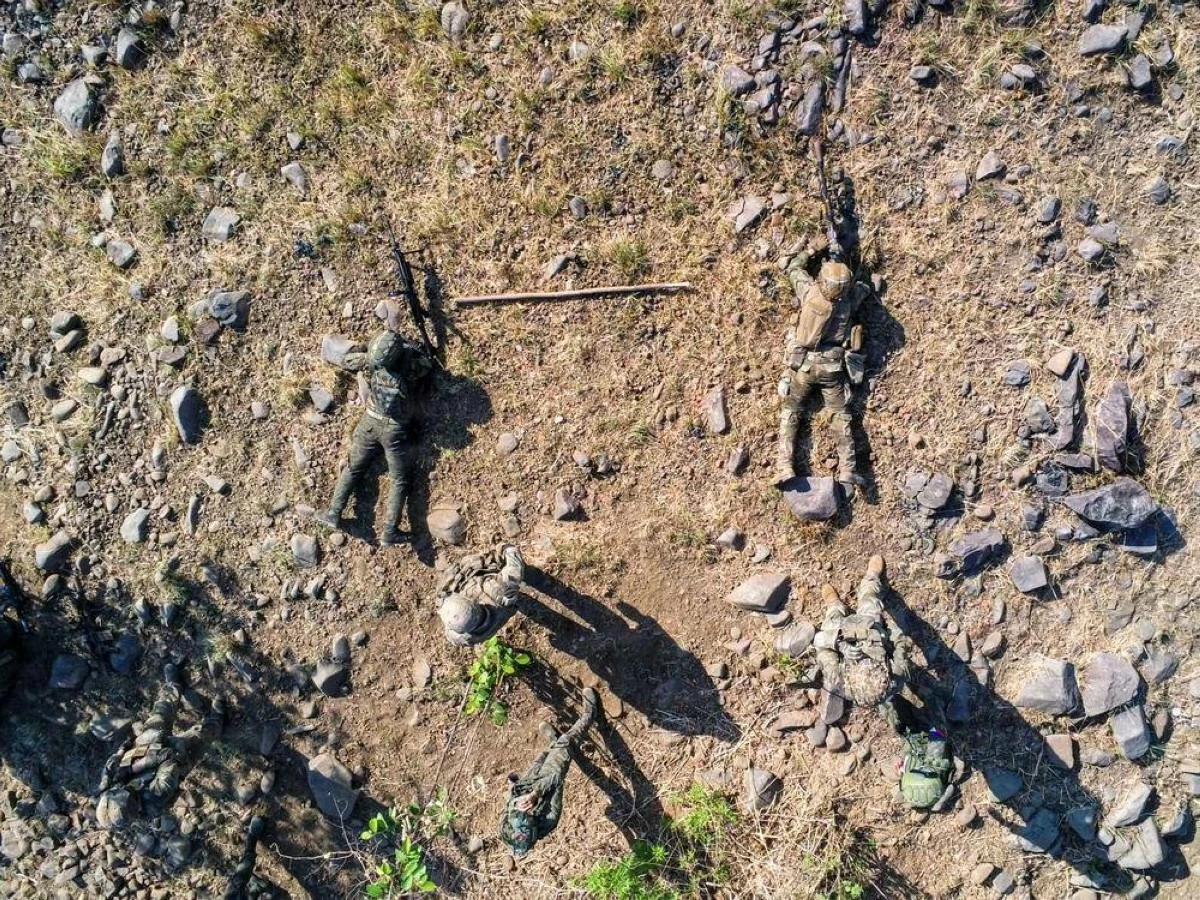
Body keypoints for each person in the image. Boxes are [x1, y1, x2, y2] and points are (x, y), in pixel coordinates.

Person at [315, 329, 433, 545]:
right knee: (399, 479)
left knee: (353, 468)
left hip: (368, 422)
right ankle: (390, 530)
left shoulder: (371, 362)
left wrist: (364, 352)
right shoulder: (409, 366)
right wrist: (412, 350)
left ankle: (333, 512)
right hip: (395, 430)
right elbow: (427, 366)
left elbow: (349, 361)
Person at [775, 240, 870, 497]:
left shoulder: (808, 291)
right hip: (833, 367)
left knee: (791, 411)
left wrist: (811, 249)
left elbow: (794, 267)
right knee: (840, 416)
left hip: (803, 365)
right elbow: (865, 287)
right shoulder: (850, 299)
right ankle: (848, 469)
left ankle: (784, 466)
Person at [808, 555, 911, 724]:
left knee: (832, 617)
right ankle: (871, 577)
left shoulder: (839, 679)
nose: (865, 659)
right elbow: (902, 641)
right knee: (870, 597)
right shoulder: (898, 671)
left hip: (843, 630)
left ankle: (835, 605)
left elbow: (819, 643)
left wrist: (838, 643)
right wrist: (888, 632)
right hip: (870, 627)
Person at [500, 688, 598, 857]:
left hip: (528, 782)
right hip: (548, 782)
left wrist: (515, 800)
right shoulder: (549, 819)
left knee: (542, 756)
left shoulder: (506, 830)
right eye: (528, 814)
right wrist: (536, 794)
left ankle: (555, 742)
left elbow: (508, 806)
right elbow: (557, 779)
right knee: (567, 744)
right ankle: (590, 714)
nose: (526, 810)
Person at [436, 544, 524, 647]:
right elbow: (514, 568)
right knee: (509, 587)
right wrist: (505, 548)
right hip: (503, 602)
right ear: (474, 604)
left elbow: (452, 636)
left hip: (489, 624)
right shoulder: (497, 592)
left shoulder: (461, 636)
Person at [898, 727, 953, 809]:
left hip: (910, 732)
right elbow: (936, 730)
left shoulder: (909, 771)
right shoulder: (937, 764)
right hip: (926, 730)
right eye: (925, 771)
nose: (921, 768)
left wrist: (904, 764)